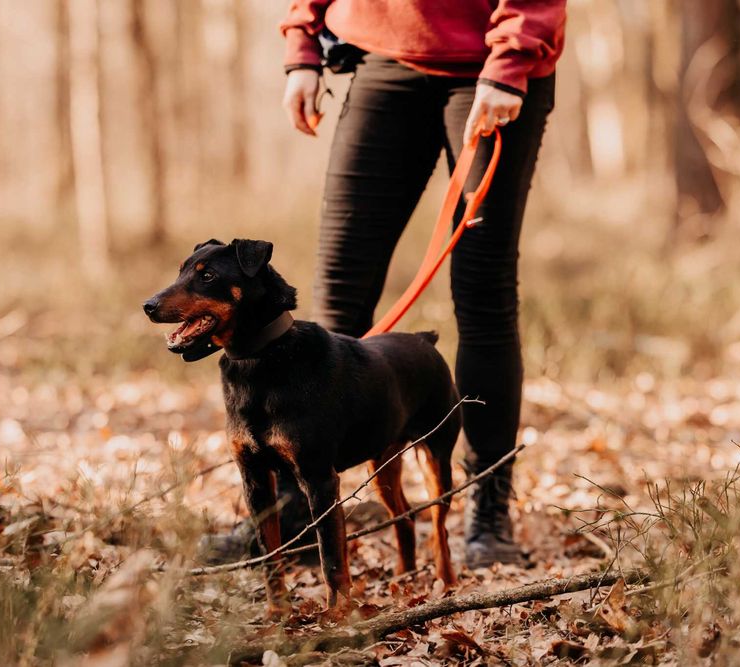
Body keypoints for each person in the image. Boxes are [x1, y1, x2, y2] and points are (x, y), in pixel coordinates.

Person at [200, 0, 566, 569]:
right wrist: (303, 45)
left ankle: (488, 514)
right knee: (338, 292)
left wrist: (514, 56)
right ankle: (299, 512)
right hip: (384, 57)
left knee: (483, 294)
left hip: (491, 68)